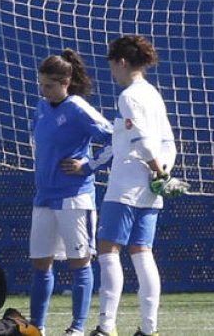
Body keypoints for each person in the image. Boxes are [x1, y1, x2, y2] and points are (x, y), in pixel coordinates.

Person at [88, 36, 177, 336]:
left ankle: (106, 327)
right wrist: (163, 173)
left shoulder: (129, 96)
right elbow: (167, 142)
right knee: (142, 252)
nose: (112, 71)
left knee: (108, 249)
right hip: (150, 189)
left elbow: (143, 141)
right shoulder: (153, 94)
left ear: (122, 62)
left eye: (112, 65)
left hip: (126, 185)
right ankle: (149, 329)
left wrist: (157, 171)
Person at [28, 51, 113, 336]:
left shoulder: (77, 107)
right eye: (41, 85)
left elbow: (113, 138)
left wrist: (87, 166)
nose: (44, 91)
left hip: (74, 197)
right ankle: (37, 327)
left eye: (50, 85)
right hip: (44, 197)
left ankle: (77, 328)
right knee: (41, 262)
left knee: (80, 262)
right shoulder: (41, 107)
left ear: (66, 82)